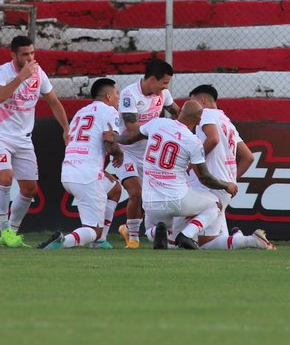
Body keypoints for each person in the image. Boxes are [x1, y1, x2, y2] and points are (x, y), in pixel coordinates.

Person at [111, 100, 238, 249]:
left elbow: (130, 138)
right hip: (177, 199)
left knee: (154, 228)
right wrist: (226, 185)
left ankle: (156, 233)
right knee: (215, 204)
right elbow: (205, 178)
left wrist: (113, 138)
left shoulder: (157, 123)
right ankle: (187, 234)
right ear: (198, 120)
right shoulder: (193, 141)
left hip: (150, 201)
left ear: (181, 113)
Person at [0, 35, 69, 248]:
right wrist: (21, 77)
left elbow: (53, 102)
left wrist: (66, 128)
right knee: (5, 177)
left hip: (23, 139)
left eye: (32, 53)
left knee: (30, 189)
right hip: (0, 135)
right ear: (13, 55)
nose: (30, 57)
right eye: (25, 54)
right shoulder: (2, 72)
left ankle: (11, 232)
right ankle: (4, 229)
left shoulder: (38, 74)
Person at [174, 84, 275, 250]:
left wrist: (193, 161)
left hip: (208, 184)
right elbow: (248, 157)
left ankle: (251, 240)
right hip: (224, 186)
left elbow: (213, 139)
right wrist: (231, 181)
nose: (190, 109)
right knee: (214, 239)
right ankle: (240, 238)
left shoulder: (205, 114)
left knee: (196, 241)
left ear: (202, 100)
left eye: (191, 102)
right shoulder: (225, 120)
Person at [39, 78, 123, 249]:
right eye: (116, 94)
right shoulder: (110, 112)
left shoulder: (81, 112)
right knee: (93, 231)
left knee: (115, 188)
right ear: (108, 96)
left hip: (69, 171)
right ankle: (64, 241)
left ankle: (100, 242)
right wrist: (118, 152)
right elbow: (109, 141)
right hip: (87, 176)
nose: (118, 98)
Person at [115, 59, 180, 249]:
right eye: (164, 82)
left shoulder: (163, 94)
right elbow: (132, 129)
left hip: (150, 155)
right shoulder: (129, 94)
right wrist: (161, 131)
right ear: (152, 79)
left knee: (148, 198)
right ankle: (134, 238)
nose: (166, 87)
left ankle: (127, 229)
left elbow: (178, 112)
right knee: (136, 193)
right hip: (126, 151)